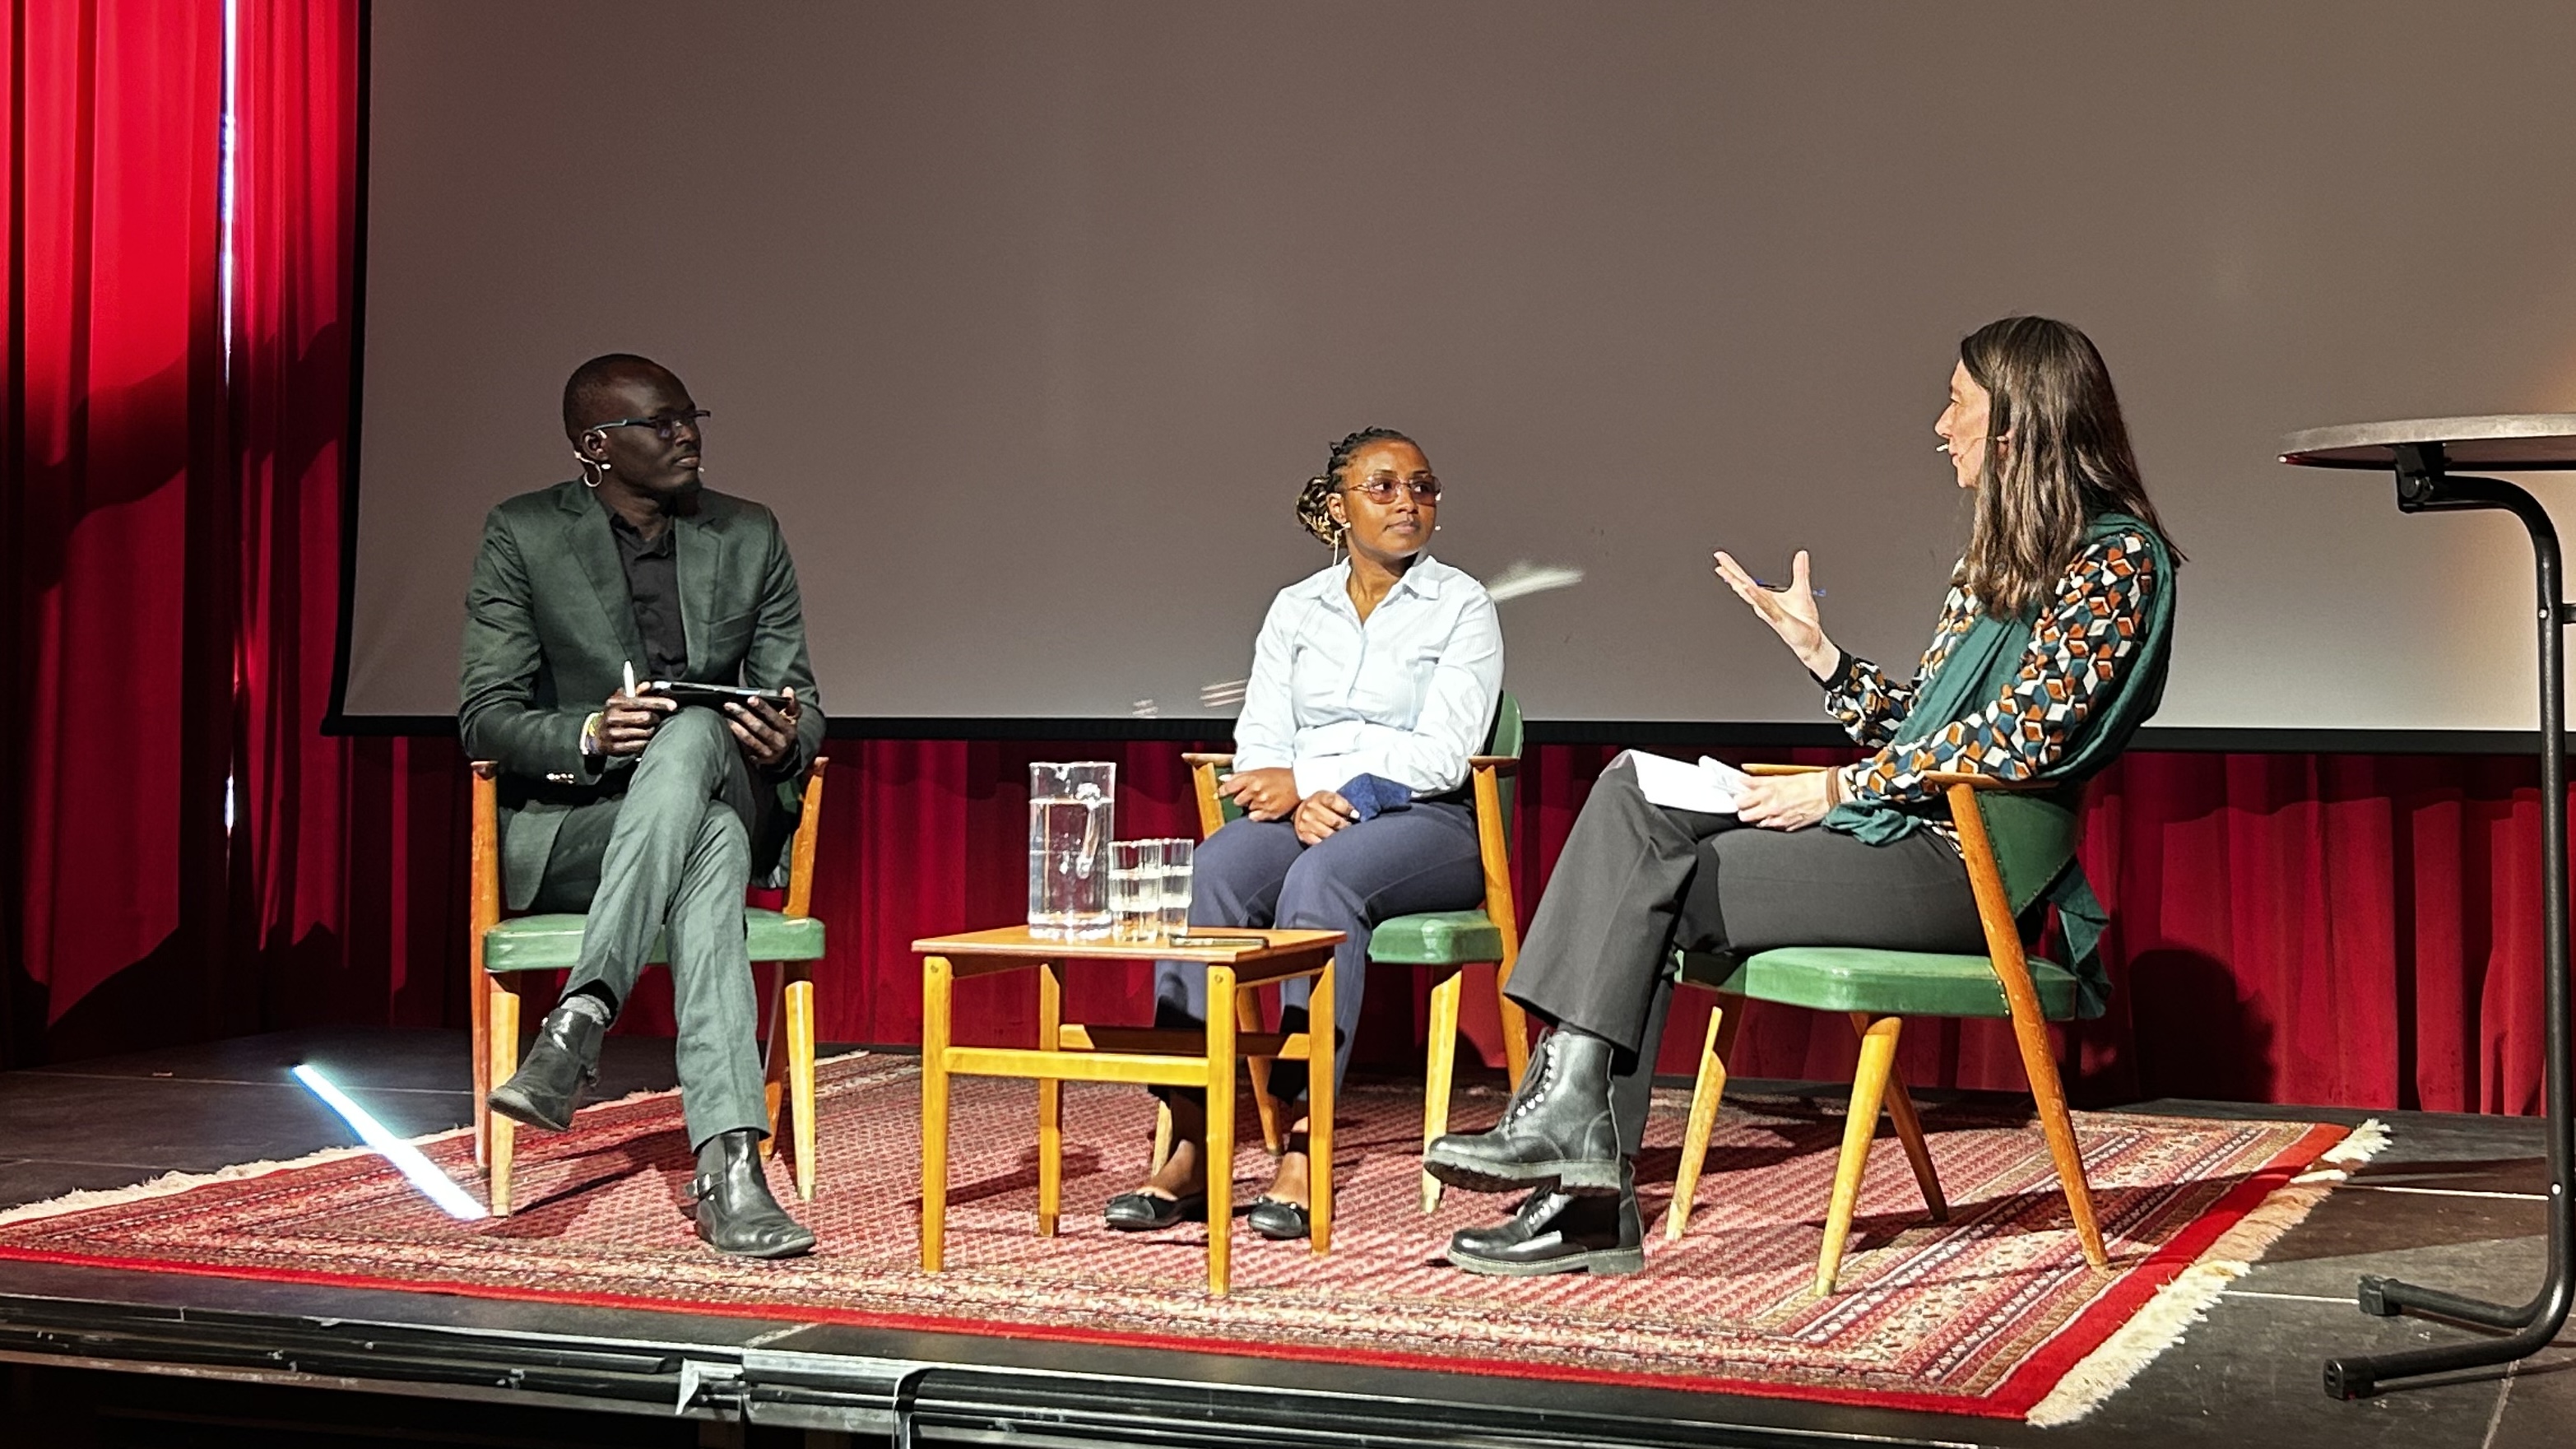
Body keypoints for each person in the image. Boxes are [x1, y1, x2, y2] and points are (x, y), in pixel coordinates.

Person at [1423, 316, 2179, 1276]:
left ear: (2017, 426)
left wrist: (1837, 789)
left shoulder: (2116, 563)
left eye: (1956, 402)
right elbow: (1920, 729)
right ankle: (1569, 1132)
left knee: (1643, 888)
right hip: (1899, 830)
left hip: (1965, 872)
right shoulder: (1987, 566)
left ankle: (1578, 1187)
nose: (1937, 425)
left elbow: (2015, 740)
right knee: (1625, 796)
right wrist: (1822, 657)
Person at [462, 354, 825, 1258]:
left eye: (689, 415)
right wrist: (588, 733)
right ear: (596, 445)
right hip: (583, 826)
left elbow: (802, 697)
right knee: (705, 848)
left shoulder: (747, 533)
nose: (686, 434)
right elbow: (486, 717)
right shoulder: (523, 535)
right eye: (658, 423)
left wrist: (789, 737)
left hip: (721, 781)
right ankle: (731, 1174)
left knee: (694, 735)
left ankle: (578, 1021)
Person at [1105, 428, 1505, 1242]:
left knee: (1319, 885)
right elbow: (1260, 742)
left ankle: (1299, 1138)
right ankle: (1188, 1134)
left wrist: (1330, 789)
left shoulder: (1461, 604)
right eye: (1384, 487)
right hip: (1305, 813)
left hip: (1423, 824)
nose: (1408, 503)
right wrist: (1292, 800)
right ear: (1336, 508)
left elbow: (1442, 751)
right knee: (1207, 874)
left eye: (1422, 487)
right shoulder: (1295, 609)